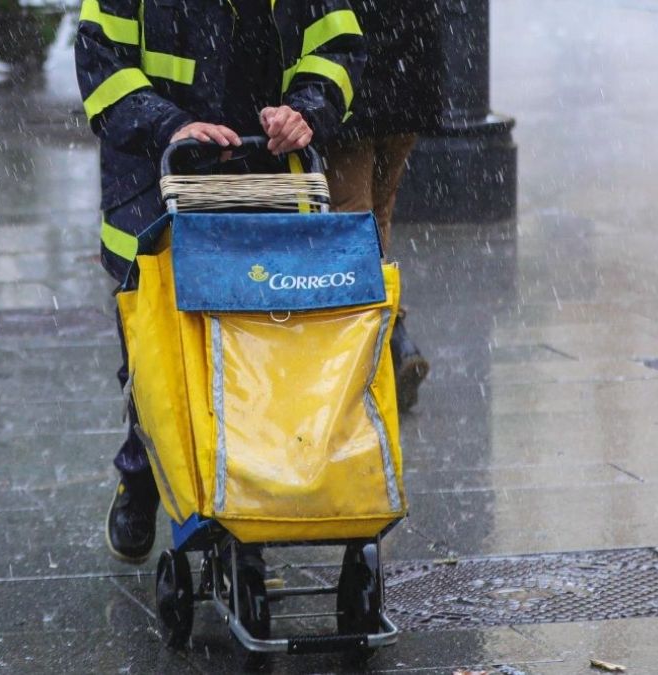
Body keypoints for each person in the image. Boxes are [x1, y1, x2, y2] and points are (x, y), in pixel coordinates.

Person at [75, 0, 365, 563]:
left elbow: (338, 45)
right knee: (158, 361)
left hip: (264, 186)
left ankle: (240, 499)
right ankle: (140, 476)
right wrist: (170, 124)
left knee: (253, 360)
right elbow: (99, 63)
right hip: (154, 188)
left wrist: (305, 109)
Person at [322, 0, 442, 412]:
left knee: (353, 223)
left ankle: (383, 343)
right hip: (408, 78)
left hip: (353, 87)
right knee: (375, 218)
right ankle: (389, 340)